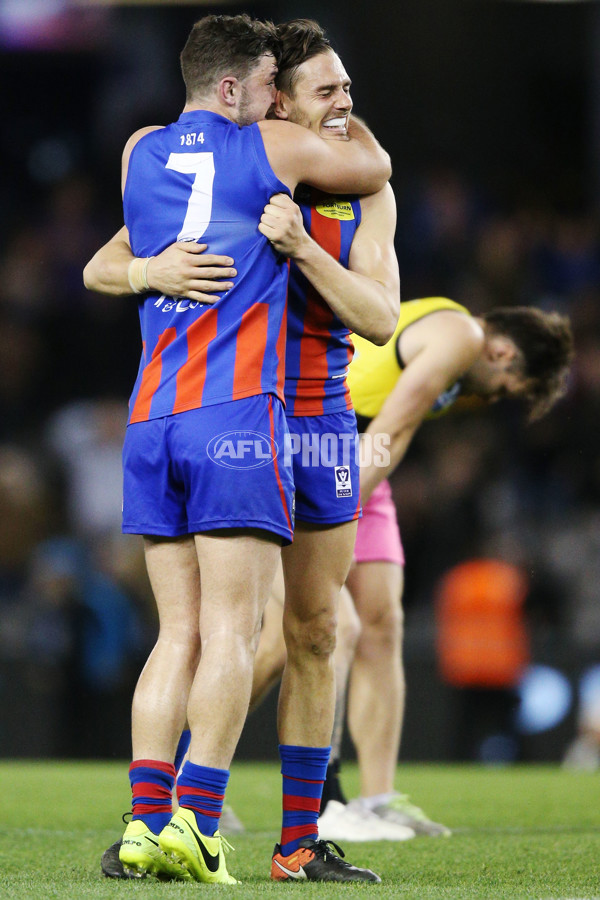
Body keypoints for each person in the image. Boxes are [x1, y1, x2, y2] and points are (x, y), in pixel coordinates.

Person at [83, 13, 392, 885]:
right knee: (230, 628)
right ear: (270, 101)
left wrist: (304, 252)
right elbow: (110, 262)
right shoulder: (259, 157)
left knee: (315, 631)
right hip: (242, 415)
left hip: (313, 414)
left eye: (349, 90)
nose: (344, 104)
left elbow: (378, 319)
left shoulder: (352, 195)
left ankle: (297, 843)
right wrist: (150, 269)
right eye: (325, 90)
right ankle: (186, 817)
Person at [248, 297, 574, 839]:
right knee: (323, 631)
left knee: (382, 623)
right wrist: (339, 512)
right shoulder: (461, 336)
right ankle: (321, 802)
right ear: (502, 351)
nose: (493, 398)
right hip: (320, 451)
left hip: (359, 460)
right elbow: (391, 431)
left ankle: (375, 801)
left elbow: (389, 430)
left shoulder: (451, 337)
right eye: (507, 387)